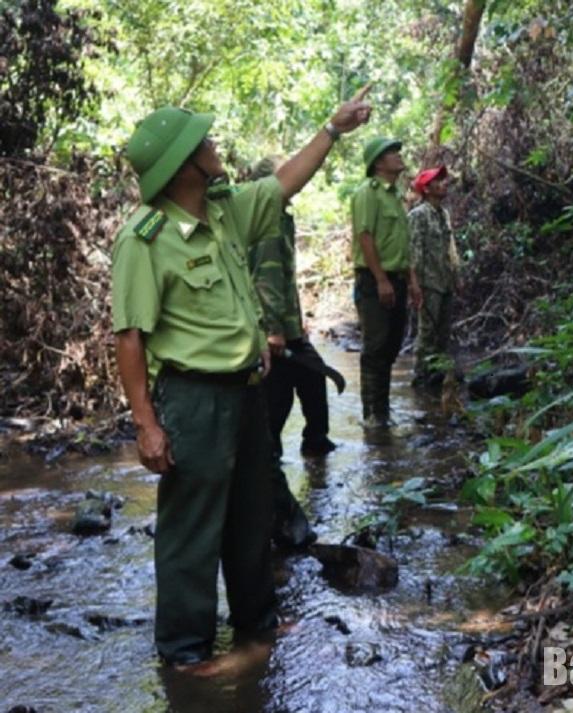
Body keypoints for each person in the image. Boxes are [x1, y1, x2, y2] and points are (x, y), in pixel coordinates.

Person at [112, 92, 370, 668]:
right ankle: (185, 654)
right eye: (203, 143)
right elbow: (129, 337)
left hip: (248, 391)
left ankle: (259, 625)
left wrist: (333, 128)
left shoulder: (225, 209)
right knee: (192, 528)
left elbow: (284, 184)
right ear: (182, 165)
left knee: (252, 513)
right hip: (193, 398)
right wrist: (146, 425)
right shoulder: (144, 239)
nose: (214, 146)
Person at [248, 157, 339, 459]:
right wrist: (273, 330)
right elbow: (266, 278)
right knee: (277, 397)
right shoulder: (267, 222)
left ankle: (315, 444)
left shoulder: (282, 217)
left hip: (287, 328)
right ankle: (268, 462)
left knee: (313, 378)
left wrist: (294, 323)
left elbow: (284, 279)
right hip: (271, 332)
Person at [350, 137, 422, 428]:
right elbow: (365, 237)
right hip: (374, 279)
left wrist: (413, 282)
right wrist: (380, 280)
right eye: (392, 153)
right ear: (378, 163)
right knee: (376, 346)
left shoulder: (396, 196)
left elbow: (402, 246)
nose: (398, 156)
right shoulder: (368, 193)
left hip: (397, 278)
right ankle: (372, 415)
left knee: (392, 345)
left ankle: (383, 410)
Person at [408, 165, 460, 385]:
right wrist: (415, 285)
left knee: (443, 332)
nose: (443, 184)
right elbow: (412, 252)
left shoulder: (443, 214)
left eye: (443, 180)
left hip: (445, 281)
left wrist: (457, 276)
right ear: (426, 189)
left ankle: (436, 375)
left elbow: (450, 248)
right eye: (437, 181)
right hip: (428, 282)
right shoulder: (418, 215)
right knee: (427, 331)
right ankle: (420, 376)